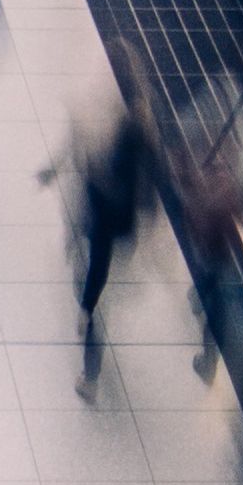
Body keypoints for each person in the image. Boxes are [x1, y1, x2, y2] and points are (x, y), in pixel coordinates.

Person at [65, 106, 155, 392]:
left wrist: (85, 306)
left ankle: (90, 379)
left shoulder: (111, 180)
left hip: (103, 244)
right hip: (122, 241)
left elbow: (98, 264)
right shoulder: (138, 171)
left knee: (96, 311)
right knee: (104, 301)